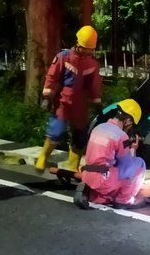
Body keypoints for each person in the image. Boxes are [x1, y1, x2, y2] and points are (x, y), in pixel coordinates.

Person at [35, 25, 103, 174]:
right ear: (78, 44)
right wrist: (47, 97)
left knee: (80, 136)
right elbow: (51, 77)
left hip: (81, 105)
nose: (87, 51)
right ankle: (43, 157)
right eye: (85, 48)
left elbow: (95, 86)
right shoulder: (63, 57)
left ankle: (73, 165)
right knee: (56, 130)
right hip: (63, 102)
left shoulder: (92, 64)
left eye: (90, 49)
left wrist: (97, 102)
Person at [73, 99, 146, 210]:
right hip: (104, 180)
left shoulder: (98, 127)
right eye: (131, 124)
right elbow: (126, 164)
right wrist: (133, 149)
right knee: (139, 163)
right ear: (128, 121)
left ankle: (94, 194)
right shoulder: (121, 136)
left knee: (110, 166)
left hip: (87, 174)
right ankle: (123, 200)